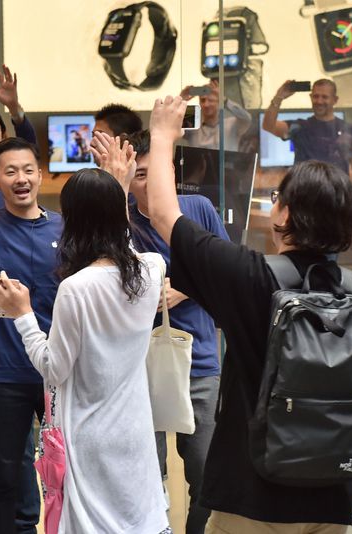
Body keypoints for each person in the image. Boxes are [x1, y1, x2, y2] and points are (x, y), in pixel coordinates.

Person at [144, 96, 352, 532]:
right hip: (336, 489)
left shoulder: (250, 278)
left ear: (286, 213)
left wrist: (163, 136)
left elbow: (165, 214)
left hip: (252, 495)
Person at [0, 166, 170, 534]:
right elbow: (127, 247)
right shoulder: (152, 268)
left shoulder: (77, 288)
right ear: (120, 213)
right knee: (139, 520)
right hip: (136, 428)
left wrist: (23, 315)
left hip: (89, 434)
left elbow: (53, 368)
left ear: (71, 221)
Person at [99, 129, 227, 534]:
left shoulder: (199, 209)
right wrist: (114, 198)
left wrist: (183, 288)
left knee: (207, 471)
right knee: (143, 475)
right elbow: (100, 276)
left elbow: (227, 273)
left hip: (199, 360)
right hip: (134, 366)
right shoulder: (116, 221)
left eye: (156, 171)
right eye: (138, 174)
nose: (150, 183)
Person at [0, 137, 63, 534]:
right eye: (10, 172)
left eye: (27, 170)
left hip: (59, 371)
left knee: (67, 467)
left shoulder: (64, 226)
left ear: (39, 175)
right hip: (5, 374)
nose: (20, 179)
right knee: (5, 472)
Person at [263, 79, 352, 205]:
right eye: (316, 96)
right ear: (311, 97)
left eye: (324, 97)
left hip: (337, 200)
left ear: (335, 100)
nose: (319, 101)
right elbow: (268, 125)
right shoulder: (300, 127)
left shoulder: (348, 130)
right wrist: (279, 97)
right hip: (304, 199)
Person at [180, 80, 252, 152]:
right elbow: (172, 125)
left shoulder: (232, 124)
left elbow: (247, 118)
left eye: (211, 100)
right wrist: (181, 99)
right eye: (203, 100)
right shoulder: (193, 126)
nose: (206, 104)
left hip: (226, 162)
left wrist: (224, 100)